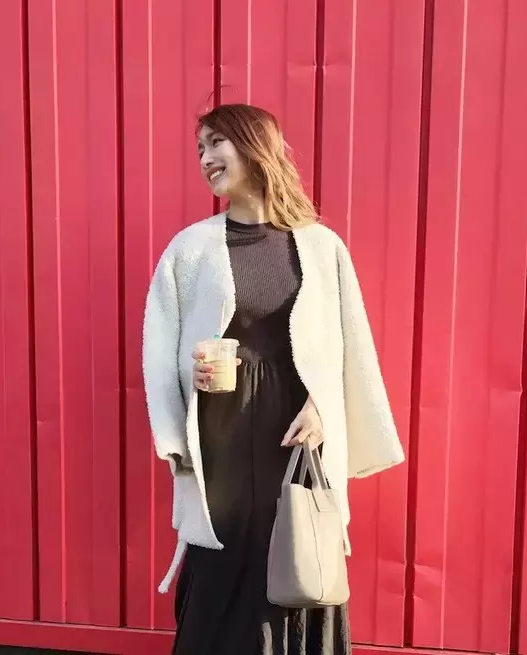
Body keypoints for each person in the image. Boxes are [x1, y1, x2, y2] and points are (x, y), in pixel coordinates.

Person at [142, 103, 405, 655]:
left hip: (295, 434)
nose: (205, 158)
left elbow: (348, 347)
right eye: (199, 149)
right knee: (223, 560)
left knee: (300, 556)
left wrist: (324, 407)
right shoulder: (191, 249)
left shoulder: (320, 246)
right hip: (222, 434)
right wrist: (188, 388)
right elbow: (160, 349)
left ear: (254, 145)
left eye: (216, 143)